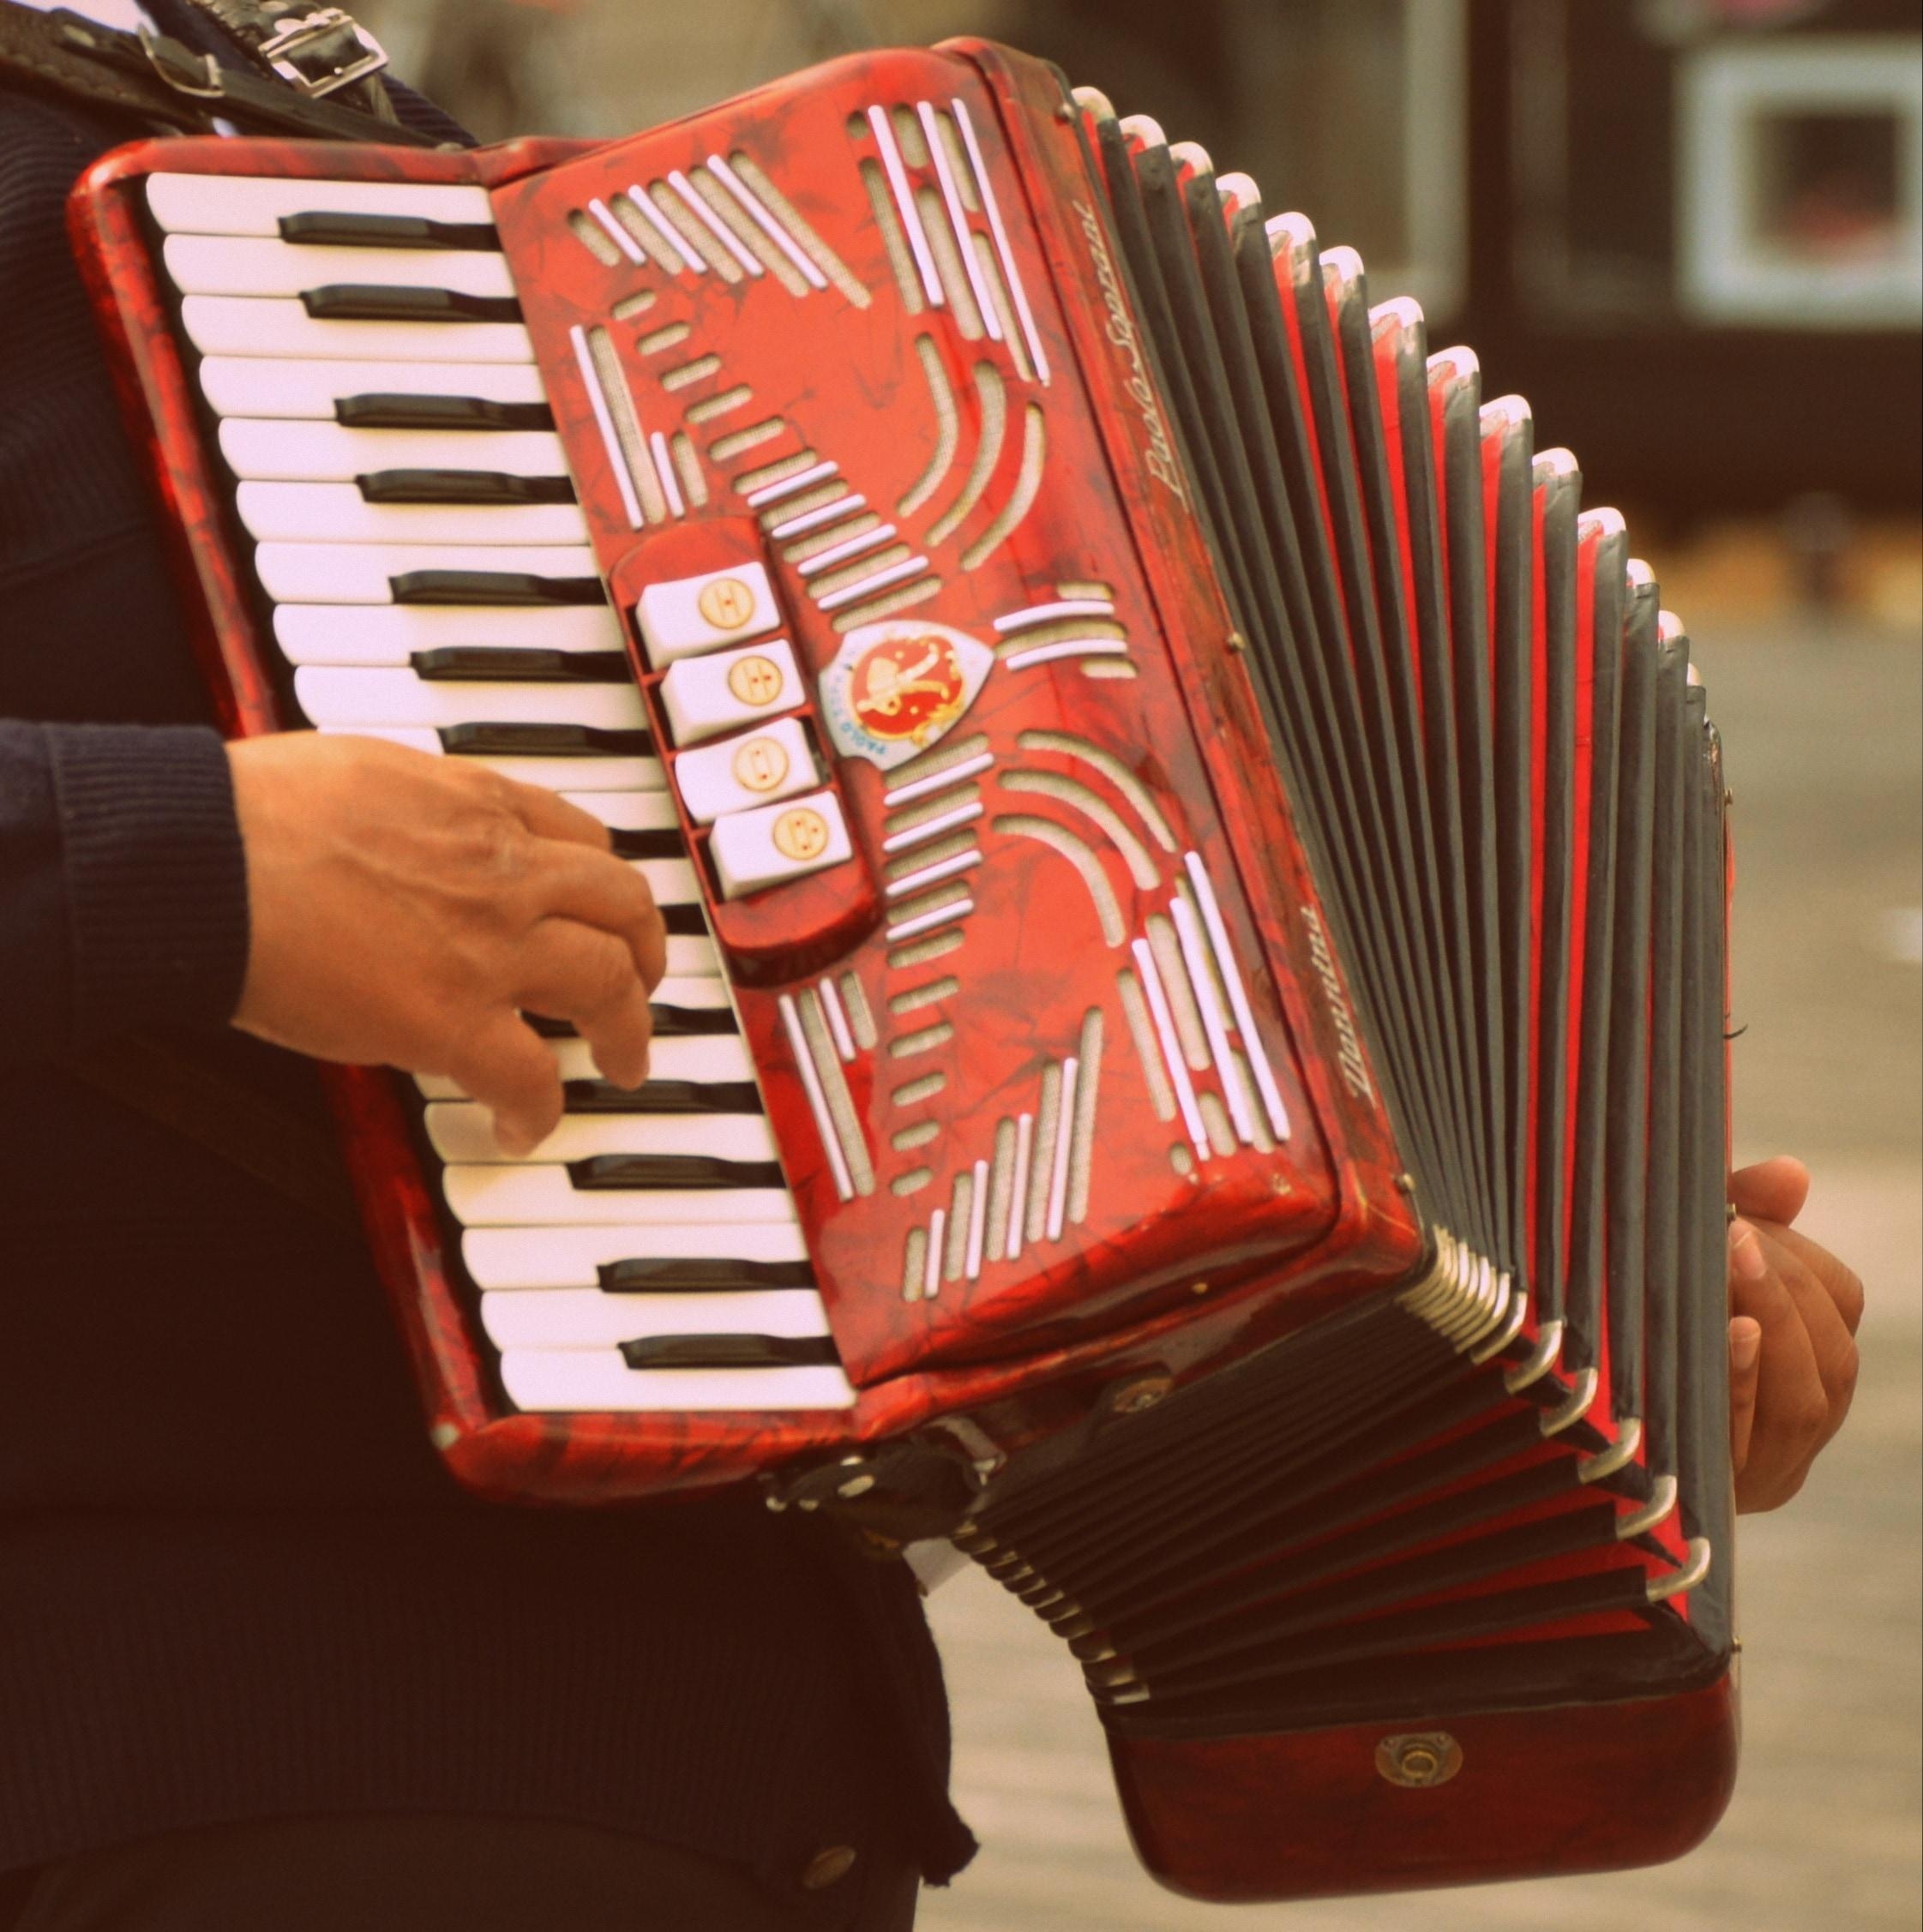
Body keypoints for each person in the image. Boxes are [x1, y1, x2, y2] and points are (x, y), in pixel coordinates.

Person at [0, 2, 1864, 1927]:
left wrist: (1557, 1284)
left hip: (722, 1777)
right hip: (210, 1752)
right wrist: (190, 864)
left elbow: (880, 1083)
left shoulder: (300, 121)